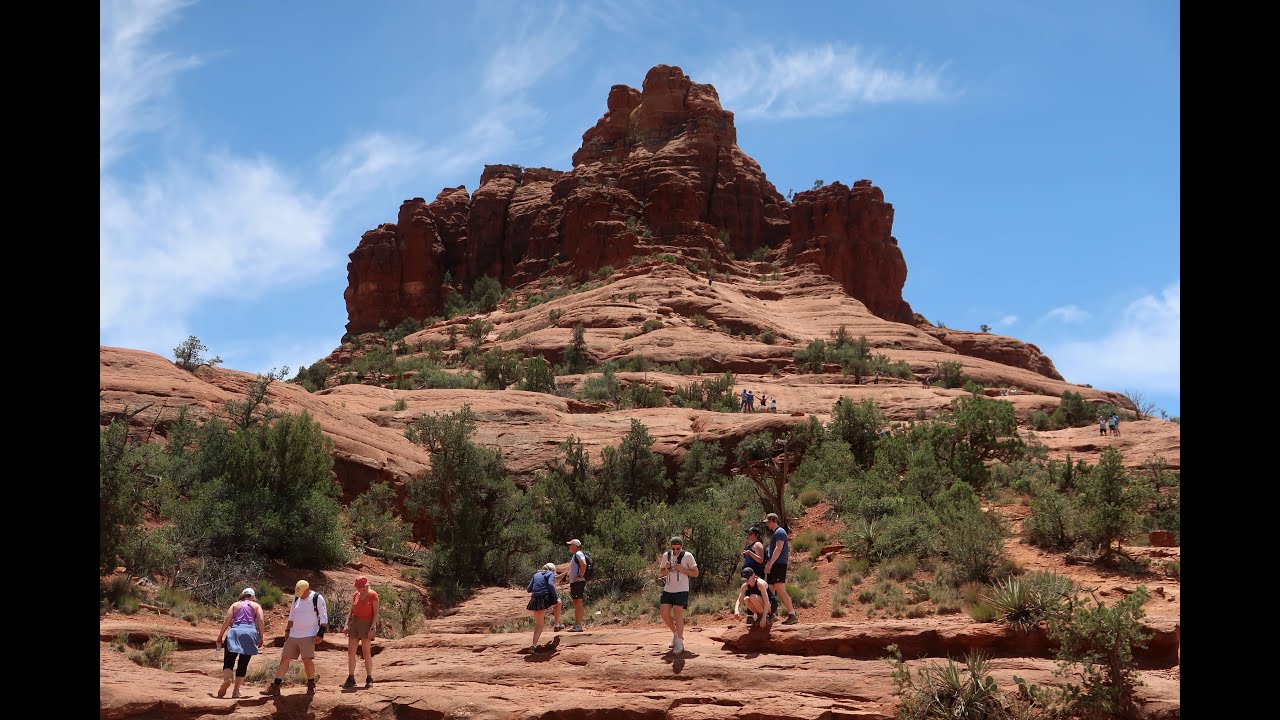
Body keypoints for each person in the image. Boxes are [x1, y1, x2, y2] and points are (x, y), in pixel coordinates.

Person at [261, 580, 327, 696]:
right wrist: (287, 630)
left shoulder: (317, 598)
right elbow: (291, 616)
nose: (300, 595)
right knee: (285, 658)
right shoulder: (297, 598)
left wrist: (320, 633)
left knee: (307, 659)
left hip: (309, 633)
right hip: (294, 634)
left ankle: (311, 685)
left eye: (302, 593)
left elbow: (323, 617)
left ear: (307, 589)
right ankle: (276, 686)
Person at [215, 588, 264, 698]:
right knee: (243, 663)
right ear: (253, 596)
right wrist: (261, 637)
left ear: (243, 595)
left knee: (229, 660)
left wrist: (220, 636)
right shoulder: (256, 606)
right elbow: (261, 621)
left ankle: (227, 680)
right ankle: (236, 690)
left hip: (234, 632)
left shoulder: (235, 605)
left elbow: (227, 621)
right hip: (250, 633)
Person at [658, 536, 699, 655]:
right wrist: (666, 568)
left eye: (678, 548)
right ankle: (675, 634)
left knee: (677, 614)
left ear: (681, 547)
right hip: (668, 588)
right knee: (664, 613)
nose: (675, 551)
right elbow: (662, 572)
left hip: (682, 589)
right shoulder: (666, 556)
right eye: (673, 548)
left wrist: (682, 569)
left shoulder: (688, 556)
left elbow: (696, 573)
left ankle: (680, 641)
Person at [341, 576, 379, 689]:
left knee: (366, 652)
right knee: (351, 652)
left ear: (365, 586)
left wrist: (372, 628)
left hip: (367, 624)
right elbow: (351, 610)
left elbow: (376, 613)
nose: (357, 588)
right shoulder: (356, 594)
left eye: (359, 586)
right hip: (355, 623)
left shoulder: (373, 595)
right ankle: (351, 678)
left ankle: (369, 678)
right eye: (356, 586)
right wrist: (346, 624)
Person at [763, 513, 798, 625]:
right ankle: (771, 615)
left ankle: (792, 615)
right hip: (774, 564)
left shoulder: (780, 532)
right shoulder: (776, 533)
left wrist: (770, 564)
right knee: (771, 589)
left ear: (773, 521)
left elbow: (778, 549)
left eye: (768, 522)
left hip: (778, 564)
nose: (767, 524)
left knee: (780, 589)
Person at [526, 563, 563, 653]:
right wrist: (555, 597)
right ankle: (556, 625)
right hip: (545, 598)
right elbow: (550, 584)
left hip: (535, 600)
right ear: (552, 570)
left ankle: (533, 646)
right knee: (558, 602)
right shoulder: (550, 574)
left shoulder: (536, 575)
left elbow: (529, 589)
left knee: (540, 626)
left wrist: (539, 586)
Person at [741, 528, 768, 624]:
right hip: (749, 573)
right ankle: (750, 616)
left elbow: (760, 560)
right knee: (748, 593)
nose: (748, 535)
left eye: (751, 533)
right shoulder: (750, 545)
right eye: (748, 534)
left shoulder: (757, 544)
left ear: (756, 535)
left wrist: (750, 553)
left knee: (755, 593)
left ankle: (763, 614)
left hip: (755, 573)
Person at [565, 539, 587, 632]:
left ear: (575, 545)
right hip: (575, 582)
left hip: (578, 582)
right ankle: (577, 625)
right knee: (576, 602)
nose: (569, 547)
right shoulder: (576, 555)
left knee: (578, 602)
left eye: (570, 545)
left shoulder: (578, 553)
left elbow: (584, 564)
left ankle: (578, 625)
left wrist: (580, 576)